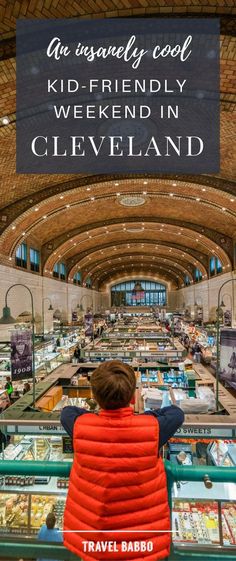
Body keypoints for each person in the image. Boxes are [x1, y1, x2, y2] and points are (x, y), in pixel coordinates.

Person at [61, 360, 184, 561]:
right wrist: (148, 416)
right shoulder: (151, 429)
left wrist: (94, 414)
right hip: (140, 541)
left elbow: (68, 412)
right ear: (133, 397)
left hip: (95, 540)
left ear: (95, 396)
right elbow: (176, 414)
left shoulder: (80, 426)